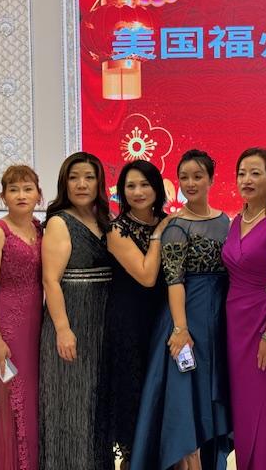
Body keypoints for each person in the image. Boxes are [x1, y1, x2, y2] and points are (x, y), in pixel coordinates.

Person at [131, 149, 232, 470]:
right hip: (186, 319)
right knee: (185, 403)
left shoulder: (225, 221)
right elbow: (174, 280)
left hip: (218, 320)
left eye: (198, 176)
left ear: (211, 179)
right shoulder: (175, 226)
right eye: (184, 177)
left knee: (207, 400)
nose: (190, 183)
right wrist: (180, 328)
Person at [94, 160, 172, 469]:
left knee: (161, 396)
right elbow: (147, 275)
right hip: (128, 322)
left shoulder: (169, 222)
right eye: (130, 186)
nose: (138, 191)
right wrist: (158, 235)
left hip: (162, 320)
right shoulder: (117, 229)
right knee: (133, 396)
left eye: (144, 184)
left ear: (157, 188)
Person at [38, 152, 112, 470]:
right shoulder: (59, 222)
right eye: (74, 177)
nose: (81, 184)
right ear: (64, 183)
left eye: (89, 177)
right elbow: (51, 281)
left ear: (99, 183)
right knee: (71, 402)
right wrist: (63, 329)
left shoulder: (106, 220)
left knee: (96, 403)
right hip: (72, 320)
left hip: (102, 319)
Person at [222, 148, 266, 470]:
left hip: (263, 319)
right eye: (241, 173)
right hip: (234, 321)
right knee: (243, 404)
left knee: (264, 402)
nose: (246, 180)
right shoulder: (236, 220)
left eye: (255, 173)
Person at [0, 165, 44, 470]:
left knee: (32, 401)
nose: (21, 195)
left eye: (28, 189)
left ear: (38, 195)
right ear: (3, 196)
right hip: (7, 328)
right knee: (11, 399)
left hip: (37, 327)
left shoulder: (39, 229)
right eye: (14, 190)